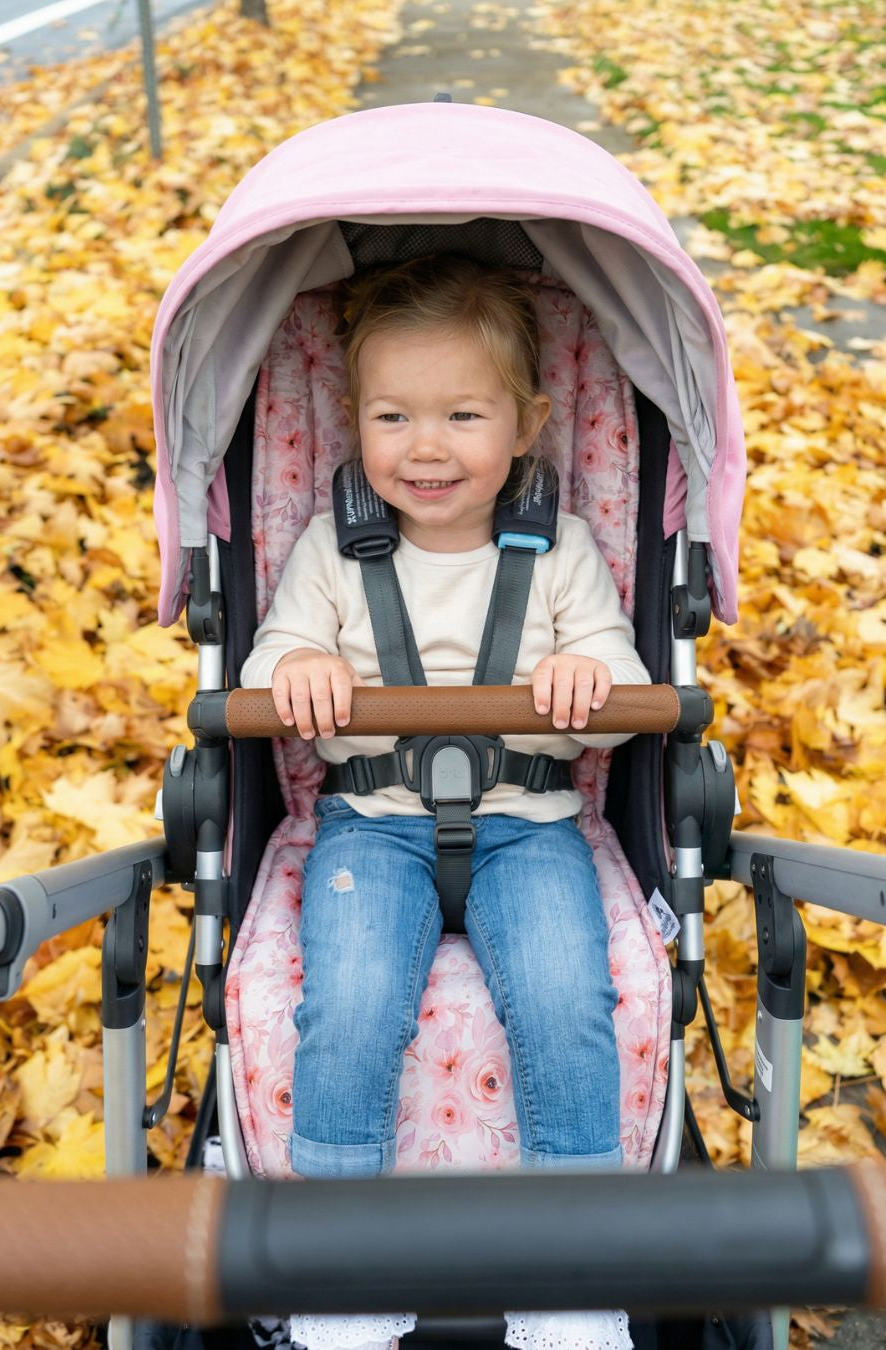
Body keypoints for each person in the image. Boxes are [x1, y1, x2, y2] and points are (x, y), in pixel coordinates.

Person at [241, 255, 650, 1350]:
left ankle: (569, 1279)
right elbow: (274, 656)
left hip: (532, 819)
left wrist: (590, 687)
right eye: (393, 416)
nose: (425, 447)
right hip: (372, 824)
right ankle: (345, 1277)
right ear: (352, 422)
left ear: (528, 425)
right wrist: (299, 671)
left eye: (462, 415)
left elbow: (617, 687)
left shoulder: (558, 552)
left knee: (568, 1004)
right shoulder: (335, 549)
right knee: (351, 1007)